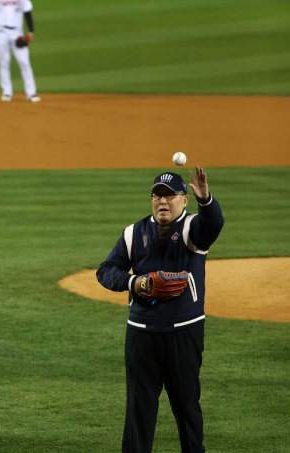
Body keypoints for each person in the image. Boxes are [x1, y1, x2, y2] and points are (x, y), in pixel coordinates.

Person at [97, 168, 224, 452]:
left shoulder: (193, 228)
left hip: (183, 332)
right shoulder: (133, 233)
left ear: (184, 200)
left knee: (187, 408)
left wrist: (206, 200)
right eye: (157, 195)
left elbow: (214, 224)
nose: (163, 201)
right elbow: (105, 271)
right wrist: (134, 281)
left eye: (170, 195)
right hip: (142, 334)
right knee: (138, 410)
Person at [0, 0, 40, 103]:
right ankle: (6, 92)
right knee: (4, 62)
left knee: (24, 62)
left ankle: (31, 93)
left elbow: (27, 12)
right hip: (0, 32)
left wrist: (31, 30)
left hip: (17, 33)